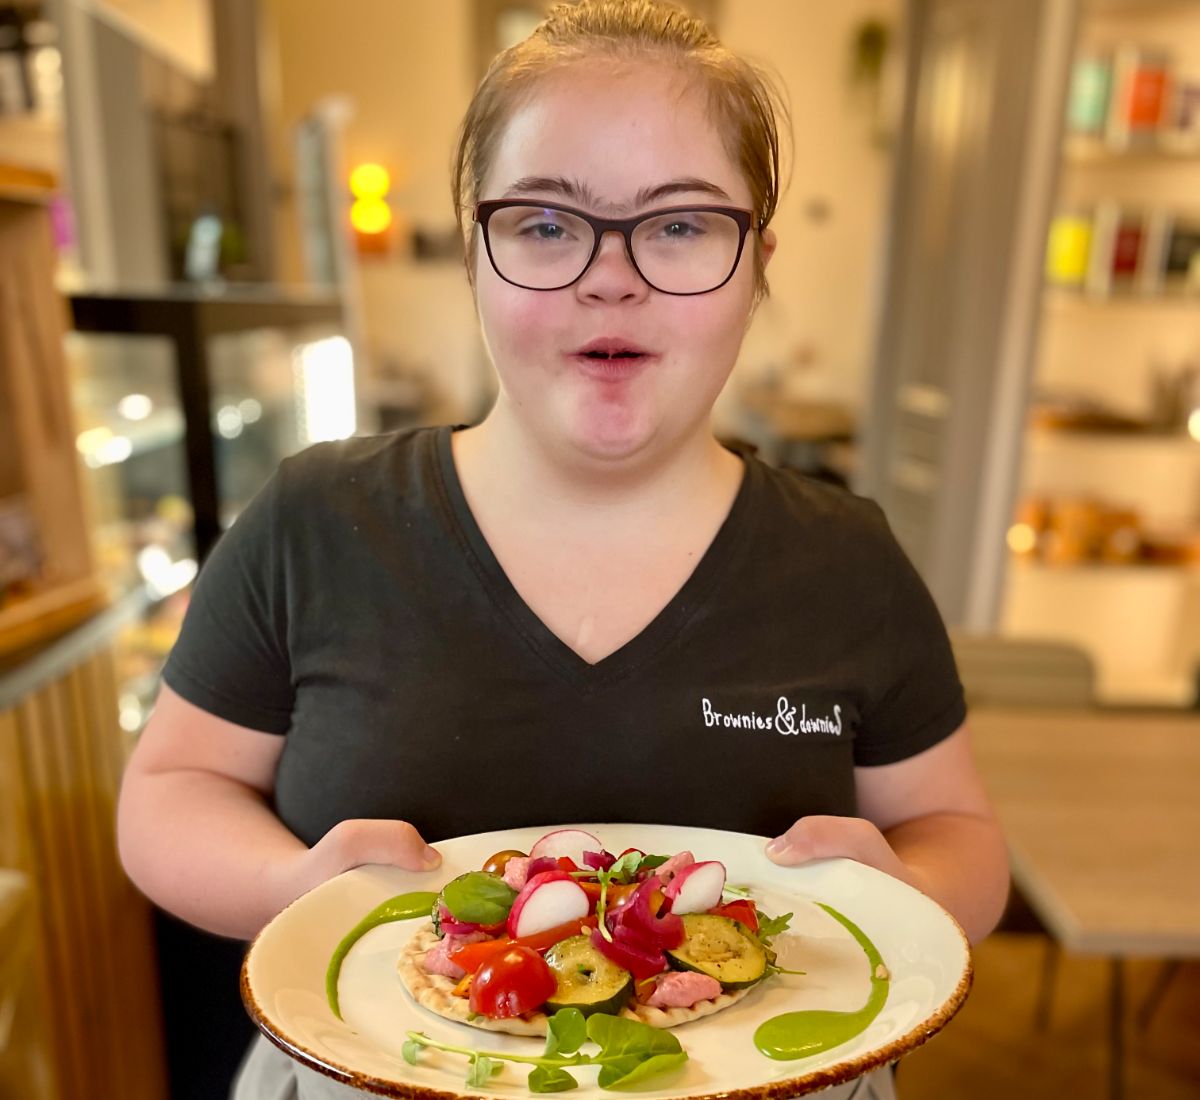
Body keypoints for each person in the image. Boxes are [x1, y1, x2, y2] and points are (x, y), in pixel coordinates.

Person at [117, 2, 1009, 1097]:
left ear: (760, 264)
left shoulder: (850, 560)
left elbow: (959, 831)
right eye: (545, 223)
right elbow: (170, 788)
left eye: (681, 224)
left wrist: (907, 884)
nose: (612, 275)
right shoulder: (314, 519)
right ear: (475, 252)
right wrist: (288, 880)